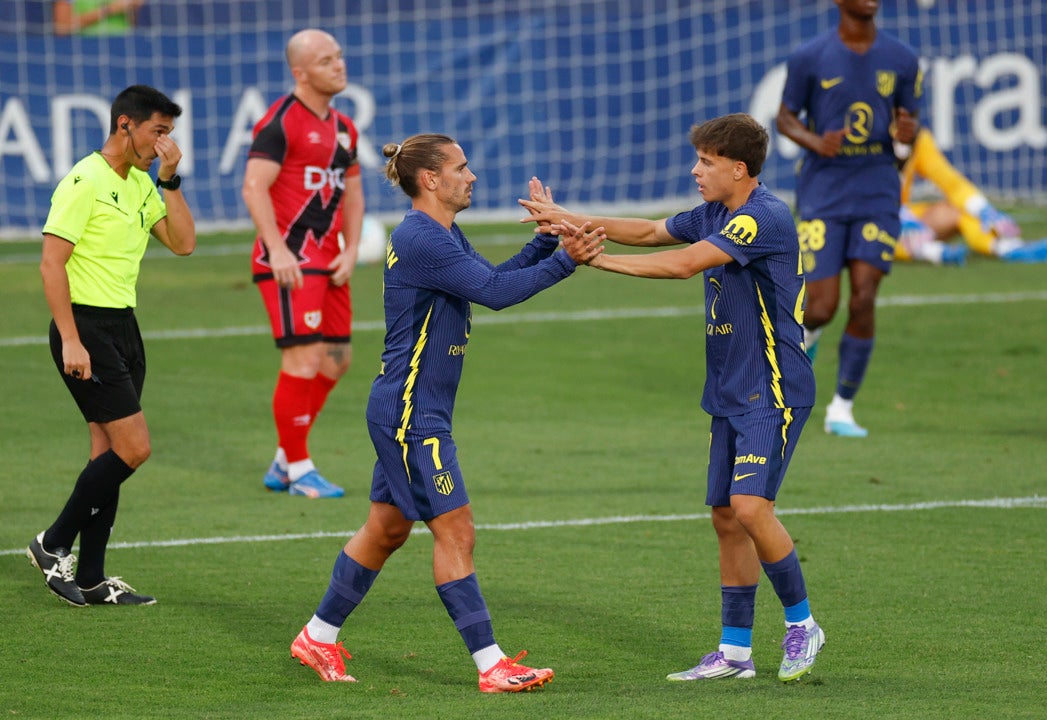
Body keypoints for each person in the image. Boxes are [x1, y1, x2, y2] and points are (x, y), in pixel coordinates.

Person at [288, 133, 599, 691]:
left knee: (385, 529)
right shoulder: (421, 237)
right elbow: (495, 295)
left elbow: (492, 279)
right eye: (461, 167)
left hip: (409, 407)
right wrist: (566, 263)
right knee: (456, 529)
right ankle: (491, 665)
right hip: (412, 414)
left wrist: (546, 242)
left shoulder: (441, 233)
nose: (471, 175)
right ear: (430, 179)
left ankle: (318, 635)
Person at [521, 113, 825, 683]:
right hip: (729, 386)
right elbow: (652, 231)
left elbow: (685, 264)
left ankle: (803, 624)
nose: (695, 171)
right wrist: (567, 220)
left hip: (773, 386)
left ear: (738, 168)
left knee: (751, 508)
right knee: (726, 519)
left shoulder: (763, 217)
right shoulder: (715, 211)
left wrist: (594, 258)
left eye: (706, 163)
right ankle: (735, 654)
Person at [29, 84, 195, 607]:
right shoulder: (84, 180)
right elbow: (51, 263)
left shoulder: (144, 184)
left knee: (108, 453)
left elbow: (184, 243)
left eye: (169, 133)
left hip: (124, 328)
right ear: (126, 125)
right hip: (85, 330)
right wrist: (72, 341)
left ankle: (94, 579)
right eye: (158, 131)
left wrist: (170, 180)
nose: (165, 142)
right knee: (134, 448)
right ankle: (52, 543)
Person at [776, 0, 922, 438]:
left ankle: (841, 407)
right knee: (821, 306)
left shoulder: (902, 59)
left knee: (863, 297)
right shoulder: (810, 56)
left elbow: (907, 131)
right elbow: (784, 117)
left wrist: (902, 144)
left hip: (877, 190)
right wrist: (816, 142)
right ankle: (809, 340)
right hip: (824, 191)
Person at [242, 29, 365, 499]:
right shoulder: (280, 122)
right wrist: (276, 249)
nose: (339, 65)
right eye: (326, 60)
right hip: (290, 259)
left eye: (339, 55)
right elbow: (254, 187)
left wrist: (351, 249)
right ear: (300, 72)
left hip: (330, 259)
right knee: (304, 357)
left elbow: (353, 195)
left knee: (336, 360)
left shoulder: (345, 128)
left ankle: (283, 458)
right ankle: (298, 466)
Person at [896, 127, 1047, 266]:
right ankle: (931, 251)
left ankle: (1005, 248)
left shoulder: (917, 139)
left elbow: (952, 183)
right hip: (876, 216)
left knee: (958, 209)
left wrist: (983, 209)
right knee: (876, 229)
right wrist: (894, 212)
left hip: (902, 216)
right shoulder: (870, 137)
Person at [53, 0, 143, 35]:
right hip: (86, 49)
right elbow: (62, 27)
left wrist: (134, 6)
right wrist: (110, 10)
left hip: (122, 46)